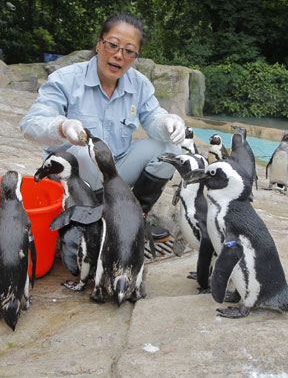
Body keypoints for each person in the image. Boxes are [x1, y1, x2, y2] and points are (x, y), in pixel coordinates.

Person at [19, 13, 185, 242]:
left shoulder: (139, 84)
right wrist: (61, 126)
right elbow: (30, 124)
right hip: (74, 180)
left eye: (129, 50)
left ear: (135, 56)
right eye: (113, 45)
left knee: (169, 149)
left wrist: (168, 123)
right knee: (82, 154)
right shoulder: (66, 79)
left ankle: (133, 219)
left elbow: (154, 116)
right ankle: (91, 224)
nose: (119, 55)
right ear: (99, 43)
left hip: (113, 173)